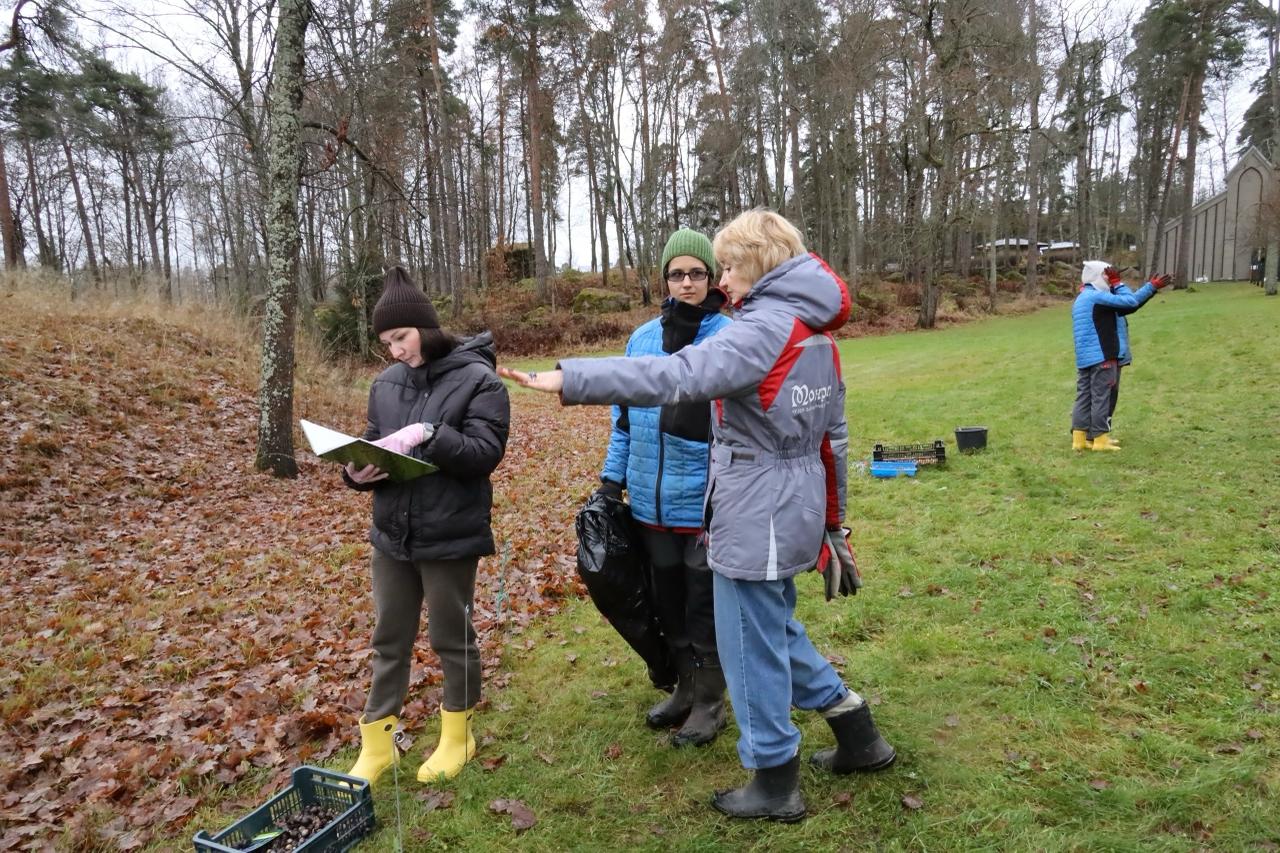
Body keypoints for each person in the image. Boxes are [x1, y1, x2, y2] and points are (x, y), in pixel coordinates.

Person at [500, 209, 895, 822]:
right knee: (772, 628)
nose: (722, 281)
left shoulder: (764, 328)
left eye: (729, 267)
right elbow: (832, 439)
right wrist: (831, 521)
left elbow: (680, 372)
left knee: (746, 645)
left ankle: (773, 777)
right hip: (789, 502)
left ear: (759, 263)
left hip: (756, 508)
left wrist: (571, 377)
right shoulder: (813, 330)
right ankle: (856, 730)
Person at [343, 266, 510, 785]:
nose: (394, 350)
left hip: (449, 532)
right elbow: (374, 439)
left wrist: (430, 434)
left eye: (400, 337)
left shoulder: (480, 380)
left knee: (449, 637)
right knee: (389, 637)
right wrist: (358, 472)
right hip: (392, 534)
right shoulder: (386, 385)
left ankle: (458, 735)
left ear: (426, 327)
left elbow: (485, 454)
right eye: (386, 342)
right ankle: (377, 744)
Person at [596, 228, 732, 746]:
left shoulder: (729, 336)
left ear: (711, 277)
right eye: (677, 274)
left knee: (704, 602)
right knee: (666, 599)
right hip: (648, 501)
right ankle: (683, 687)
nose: (687, 282)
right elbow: (624, 421)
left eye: (696, 273)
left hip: (703, 504)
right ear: (665, 280)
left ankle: (710, 702)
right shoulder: (642, 339)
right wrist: (612, 480)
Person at [1070, 261, 1169, 452]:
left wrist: (1151, 287)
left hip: (1085, 358)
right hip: (1103, 356)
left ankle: (1080, 439)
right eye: (1107, 275)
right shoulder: (1097, 297)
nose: (1110, 279)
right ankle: (1100, 439)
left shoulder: (1083, 297)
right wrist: (1118, 284)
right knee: (1102, 397)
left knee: (1084, 397)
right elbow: (1130, 302)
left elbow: (1127, 305)